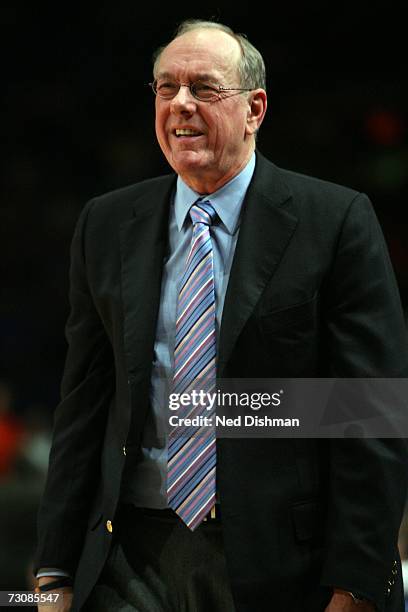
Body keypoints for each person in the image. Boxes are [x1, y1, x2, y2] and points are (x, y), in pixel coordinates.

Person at [34, 18, 408, 612]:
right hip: (128, 552)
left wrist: (358, 582)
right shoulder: (105, 224)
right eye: (165, 88)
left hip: (281, 560)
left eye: (203, 89)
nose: (180, 103)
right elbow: (83, 406)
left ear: (255, 108)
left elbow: (370, 409)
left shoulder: (335, 220)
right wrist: (51, 573)